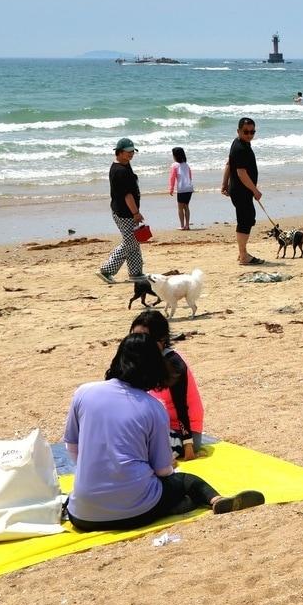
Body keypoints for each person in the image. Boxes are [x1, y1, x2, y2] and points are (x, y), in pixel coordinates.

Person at [63, 332, 263, 531]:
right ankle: (214, 500)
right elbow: (163, 470)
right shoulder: (154, 407)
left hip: (82, 514)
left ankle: (179, 504)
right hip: (135, 513)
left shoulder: (84, 392)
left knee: (158, 490)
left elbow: (72, 447)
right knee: (185, 481)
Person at [134, 310, 204, 461]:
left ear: (162, 339)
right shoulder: (144, 359)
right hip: (159, 426)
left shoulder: (173, 363)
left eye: (144, 338)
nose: (138, 343)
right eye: (134, 337)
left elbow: (181, 405)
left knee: (139, 451)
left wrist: (188, 445)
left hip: (182, 431)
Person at [97, 138, 146, 285]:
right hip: (124, 212)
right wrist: (136, 213)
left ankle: (136, 272)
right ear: (119, 152)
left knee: (135, 240)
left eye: (133, 152)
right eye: (128, 152)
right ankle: (107, 270)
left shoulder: (125, 164)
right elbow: (127, 195)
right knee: (130, 241)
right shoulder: (120, 171)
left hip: (125, 210)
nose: (131, 154)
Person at [221, 118, 263, 265]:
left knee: (248, 218)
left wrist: (224, 183)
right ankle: (244, 255)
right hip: (241, 190)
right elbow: (241, 173)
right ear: (238, 131)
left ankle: (242, 253)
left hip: (240, 189)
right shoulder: (240, 148)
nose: (249, 135)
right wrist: (255, 190)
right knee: (245, 221)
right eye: (246, 132)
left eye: (252, 132)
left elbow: (229, 163)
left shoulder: (239, 143)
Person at [168, 147, 194, 231]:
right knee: (186, 206)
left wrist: (171, 188)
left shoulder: (174, 165)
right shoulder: (186, 165)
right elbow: (190, 176)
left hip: (182, 188)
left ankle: (182, 225)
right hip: (189, 188)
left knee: (180, 208)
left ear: (175, 156)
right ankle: (187, 225)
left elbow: (172, 178)